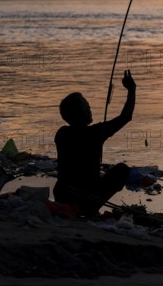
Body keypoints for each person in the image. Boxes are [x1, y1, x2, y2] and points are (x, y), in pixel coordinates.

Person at [53, 70, 136, 216]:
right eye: (88, 107)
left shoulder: (61, 134)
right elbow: (126, 116)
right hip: (85, 200)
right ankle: (88, 209)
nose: (90, 109)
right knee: (122, 169)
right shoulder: (96, 133)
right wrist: (132, 90)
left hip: (62, 196)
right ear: (83, 112)